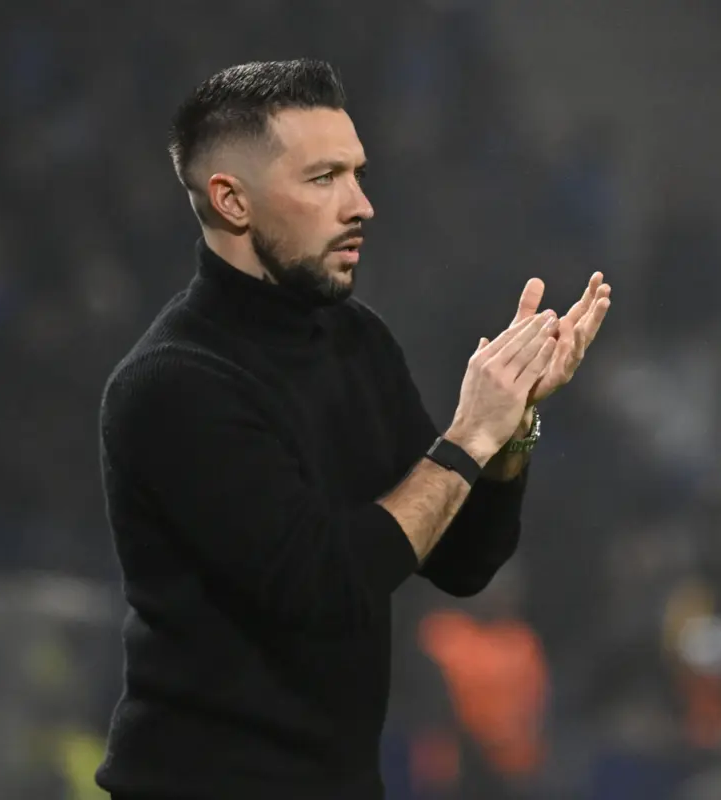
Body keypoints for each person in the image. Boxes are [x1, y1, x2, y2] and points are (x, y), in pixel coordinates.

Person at [95, 59, 611, 799]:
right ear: (232, 201)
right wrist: (467, 437)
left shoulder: (355, 341)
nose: (361, 204)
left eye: (358, 174)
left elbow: (463, 561)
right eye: (323, 179)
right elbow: (326, 586)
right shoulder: (174, 386)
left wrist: (512, 427)